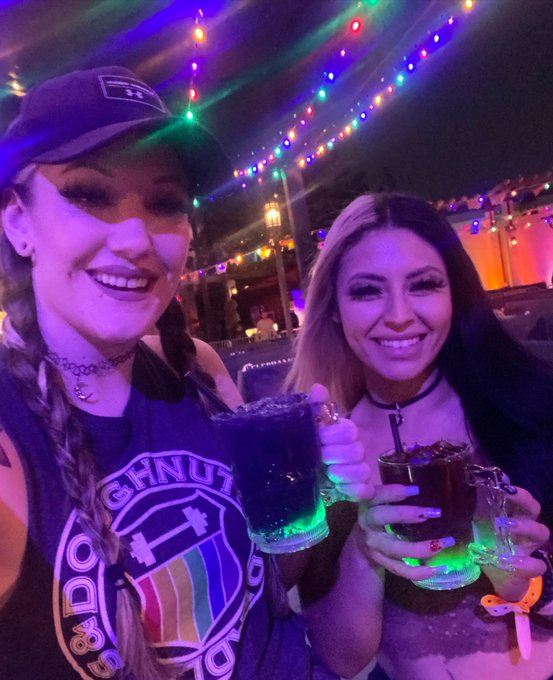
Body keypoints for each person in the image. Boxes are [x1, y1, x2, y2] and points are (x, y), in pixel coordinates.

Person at [0, 66, 375, 680]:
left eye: (165, 203)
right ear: (18, 222)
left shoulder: (195, 372)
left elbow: (259, 591)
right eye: (89, 194)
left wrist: (327, 498)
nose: (135, 239)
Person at [288, 193, 553, 679]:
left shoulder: (530, 404)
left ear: (455, 294)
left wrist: (528, 584)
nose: (399, 315)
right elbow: (342, 658)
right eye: (367, 291)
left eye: (424, 285)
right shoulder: (331, 457)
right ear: (334, 309)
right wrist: (366, 550)